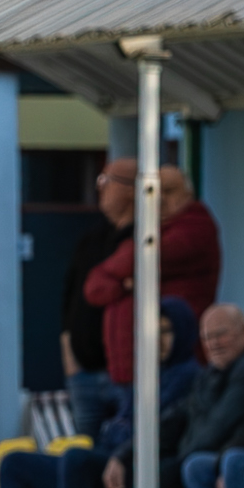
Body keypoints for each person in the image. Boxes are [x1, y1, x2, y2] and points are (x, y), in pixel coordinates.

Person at [0, 298, 199, 488]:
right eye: (155, 332)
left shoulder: (191, 378)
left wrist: (122, 455)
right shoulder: (146, 375)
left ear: (184, 332)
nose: (159, 340)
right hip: (108, 460)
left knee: (77, 460)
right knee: (13, 464)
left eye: (167, 331)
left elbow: (165, 432)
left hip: (135, 467)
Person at [84, 165, 222, 394]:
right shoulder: (152, 230)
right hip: (132, 367)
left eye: (170, 191)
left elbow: (144, 256)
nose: (161, 199)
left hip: (169, 364)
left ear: (188, 195)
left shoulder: (195, 227)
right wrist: (123, 285)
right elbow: (94, 286)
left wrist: (126, 269)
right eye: (155, 192)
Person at [171, 305, 244, 488]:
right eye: (207, 338)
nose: (213, 343)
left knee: (236, 463)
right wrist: (221, 464)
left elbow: (222, 424)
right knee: (197, 466)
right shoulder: (212, 374)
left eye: (220, 335)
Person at [61, 158, 136, 439]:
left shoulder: (145, 240)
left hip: (126, 373)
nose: (100, 188)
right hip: (83, 371)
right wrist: (70, 360)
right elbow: (70, 300)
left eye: (107, 181)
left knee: (124, 449)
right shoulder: (90, 240)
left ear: (132, 189)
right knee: (84, 451)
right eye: (99, 180)